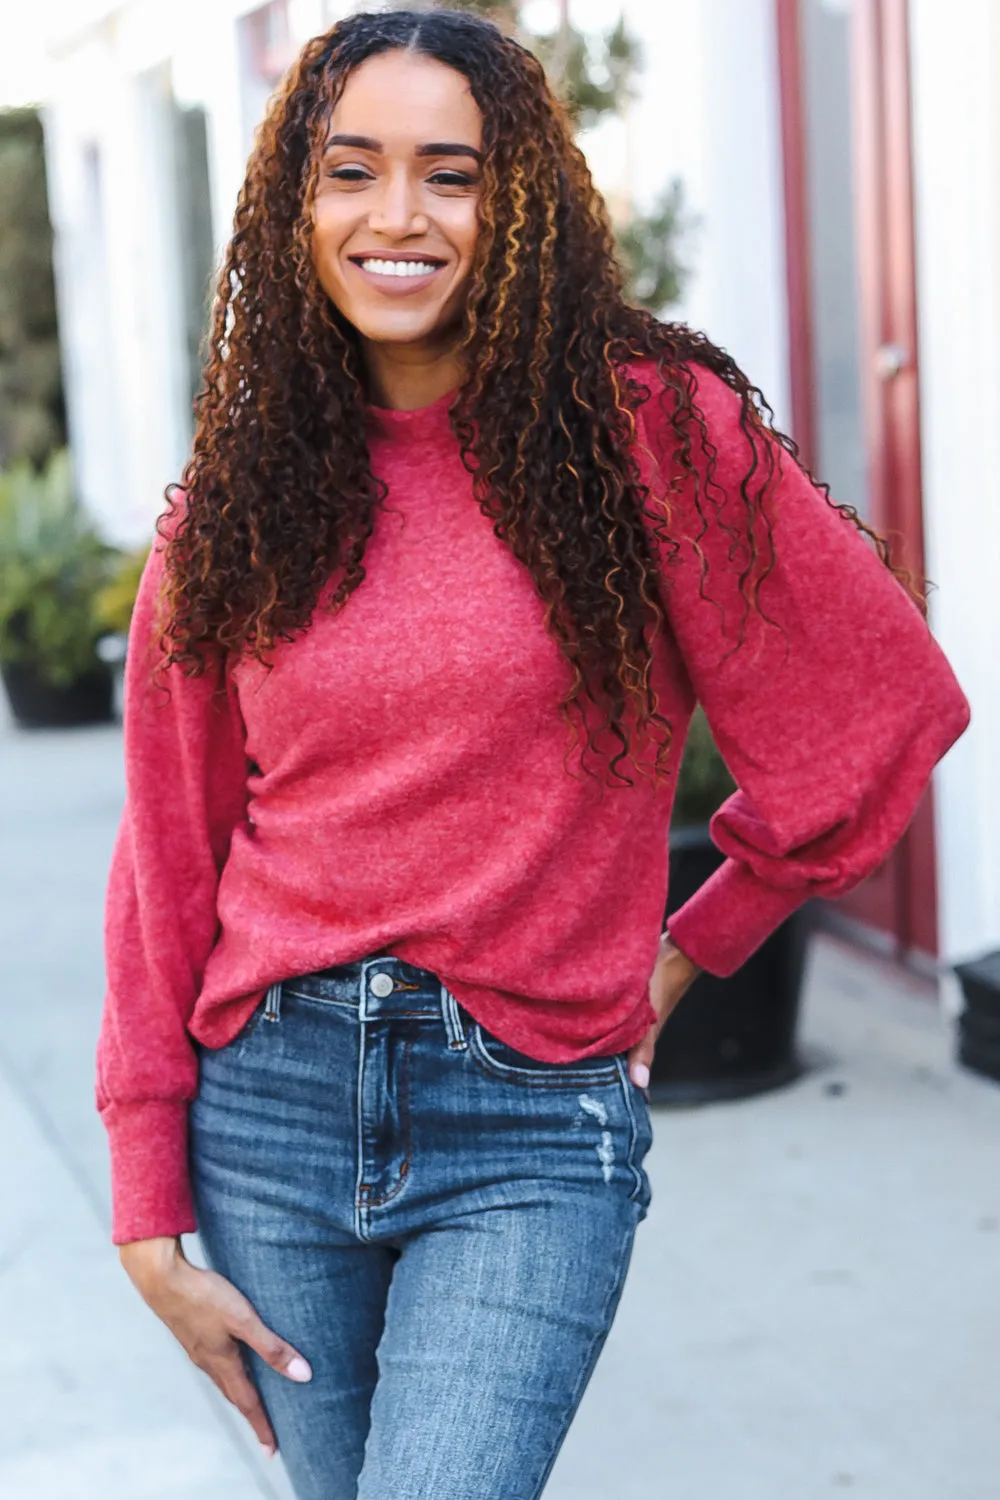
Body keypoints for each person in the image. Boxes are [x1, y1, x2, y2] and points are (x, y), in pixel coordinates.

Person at [97, 9, 970, 1499]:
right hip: (271, 1115)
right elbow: (169, 853)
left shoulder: (650, 437)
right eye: (351, 170)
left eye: (452, 174)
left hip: (527, 1121)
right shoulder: (241, 495)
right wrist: (143, 1197)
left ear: (521, 205)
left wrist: (697, 946)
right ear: (294, 202)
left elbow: (875, 712)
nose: (397, 217)